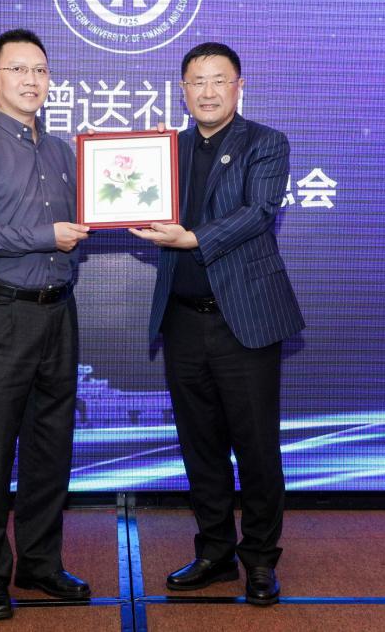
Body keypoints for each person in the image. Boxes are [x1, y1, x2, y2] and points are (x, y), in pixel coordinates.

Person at [130, 42, 304, 606]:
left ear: (238, 86)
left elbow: (258, 212)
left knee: (256, 448)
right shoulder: (168, 150)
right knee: (199, 446)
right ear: (182, 91)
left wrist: (192, 238)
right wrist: (131, 182)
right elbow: (138, 198)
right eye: (196, 82)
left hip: (243, 322)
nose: (207, 92)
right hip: (183, 322)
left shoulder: (266, 143)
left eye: (218, 80)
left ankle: (260, 560)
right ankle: (214, 552)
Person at [0, 28, 91, 621]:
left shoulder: (62, 154)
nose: (32, 80)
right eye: (18, 69)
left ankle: (40, 563)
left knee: (51, 449)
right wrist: (43, 235)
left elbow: (94, 213)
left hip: (59, 312)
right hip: (1, 314)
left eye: (41, 71)